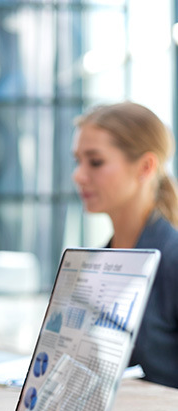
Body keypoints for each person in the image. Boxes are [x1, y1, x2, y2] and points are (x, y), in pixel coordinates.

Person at [72, 101, 178, 388]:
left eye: (95, 162)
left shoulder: (172, 260)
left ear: (145, 166)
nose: (78, 175)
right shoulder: (96, 264)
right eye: (77, 161)